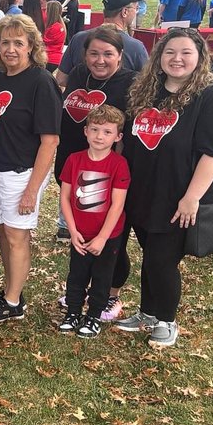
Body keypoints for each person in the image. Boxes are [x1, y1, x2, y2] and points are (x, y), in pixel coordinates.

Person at [116, 28, 213, 349]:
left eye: (185, 52)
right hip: (143, 190)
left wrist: (192, 197)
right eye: (170, 52)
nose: (177, 59)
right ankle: (147, 312)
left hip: (179, 195)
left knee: (161, 260)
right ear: (159, 56)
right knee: (150, 253)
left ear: (200, 57)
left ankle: (166, 321)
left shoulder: (211, 98)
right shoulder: (147, 91)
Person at [0, 15, 62, 325]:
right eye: (5, 42)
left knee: (16, 237)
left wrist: (31, 190)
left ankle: (12, 304)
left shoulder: (41, 82)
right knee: (2, 232)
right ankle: (13, 292)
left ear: (31, 47)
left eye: (18, 43)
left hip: (22, 173)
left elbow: (49, 142)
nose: (11, 49)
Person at [54, 25, 136, 315]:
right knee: (83, 229)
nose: (100, 60)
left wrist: (116, 166)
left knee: (112, 237)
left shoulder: (130, 82)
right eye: (93, 53)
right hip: (74, 165)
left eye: (108, 54)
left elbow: (132, 132)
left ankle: (110, 293)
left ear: (120, 55)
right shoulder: (78, 75)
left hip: (109, 173)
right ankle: (81, 288)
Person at [56, 104, 131, 339]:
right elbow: (65, 198)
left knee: (101, 277)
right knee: (76, 275)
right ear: (85, 131)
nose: (100, 136)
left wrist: (102, 237)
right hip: (80, 233)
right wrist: (72, 229)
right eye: (95, 129)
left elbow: (117, 205)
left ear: (118, 136)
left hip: (107, 236)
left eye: (107, 132)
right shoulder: (73, 159)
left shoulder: (119, 164)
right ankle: (73, 313)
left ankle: (94, 317)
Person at [57, 0, 150, 84]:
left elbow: (61, 79)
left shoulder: (78, 38)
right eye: (136, 8)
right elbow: (146, 87)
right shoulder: (136, 47)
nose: (136, 12)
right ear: (124, 12)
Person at [43, 0, 65, 70]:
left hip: (51, 58)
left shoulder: (55, 27)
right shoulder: (58, 26)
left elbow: (45, 41)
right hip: (51, 58)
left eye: (46, 9)